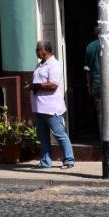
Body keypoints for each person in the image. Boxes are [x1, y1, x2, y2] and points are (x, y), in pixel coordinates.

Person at [30, 40, 74, 169]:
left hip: (51, 107)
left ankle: (68, 160)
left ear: (45, 51)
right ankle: (46, 161)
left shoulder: (54, 65)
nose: (36, 52)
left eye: (38, 49)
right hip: (39, 107)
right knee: (43, 136)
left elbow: (53, 84)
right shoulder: (39, 65)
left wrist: (37, 86)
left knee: (59, 133)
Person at [83, 28, 109, 119]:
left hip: (96, 84)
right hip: (108, 83)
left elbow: (88, 69)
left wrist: (88, 85)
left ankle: (103, 133)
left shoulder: (89, 47)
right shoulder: (107, 45)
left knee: (101, 114)